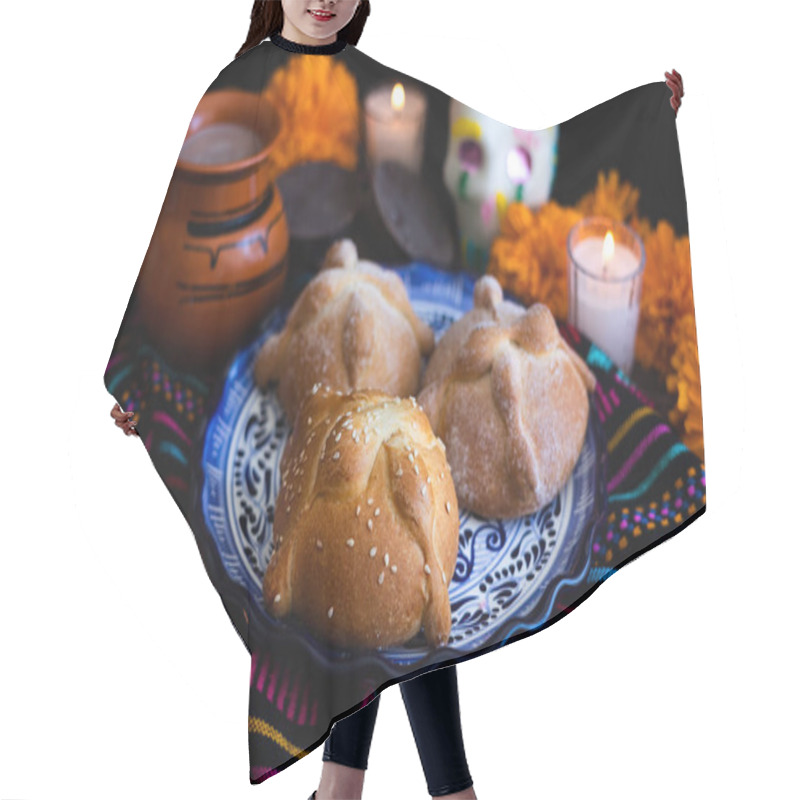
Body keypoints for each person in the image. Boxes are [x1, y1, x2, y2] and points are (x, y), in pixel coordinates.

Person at [109, 3, 685, 799]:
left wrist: (638, 118)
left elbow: (510, 151)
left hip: (387, 381)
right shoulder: (240, 86)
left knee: (388, 589)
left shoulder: (376, 85)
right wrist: (139, 367)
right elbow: (182, 233)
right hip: (288, 383)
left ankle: (349, 787)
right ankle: (430, 790)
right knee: (385, 593)